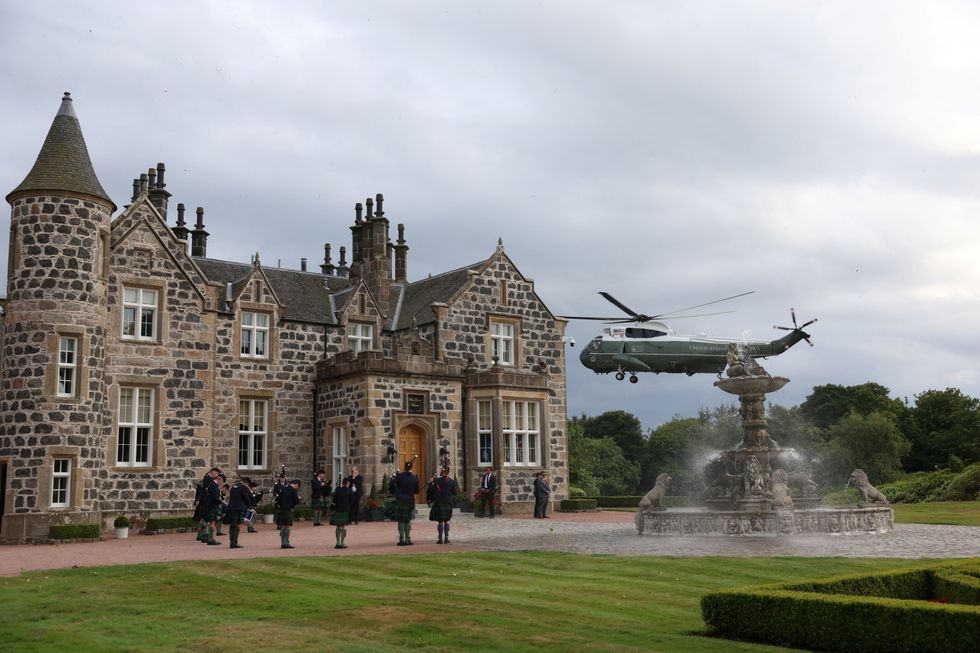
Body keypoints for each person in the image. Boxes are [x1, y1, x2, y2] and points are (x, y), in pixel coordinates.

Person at [389, 459, 420, 545]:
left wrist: (394, 493)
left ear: (405, 468)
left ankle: (401, 540)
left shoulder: (399, 476)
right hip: (410, 501)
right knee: (408, 520)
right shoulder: (415, 478)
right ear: (411, 468)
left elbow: (391, 484)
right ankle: (408, 539)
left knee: (401, 521)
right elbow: (417, 491)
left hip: (400, 500)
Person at [427, 465, 459, 544]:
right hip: (448, 503)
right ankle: (447, 538)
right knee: (446, 521)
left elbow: (431, 490)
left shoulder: (437, 480)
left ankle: (440, 539)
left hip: (439, 503)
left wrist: (431, 483)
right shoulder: (451, 481)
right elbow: (454, 493)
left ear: (442, 471)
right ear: (448, 472)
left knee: (440, 521)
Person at [193, 467, 221, 542]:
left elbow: (201, 490)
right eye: (217, 474)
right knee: (206, 518)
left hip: (202, 500)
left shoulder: (205, 479)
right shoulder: (209, 479)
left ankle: (201, 535)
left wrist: (198, 499)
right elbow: (206, 491)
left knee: (201, 518)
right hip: (205, 501)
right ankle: (205, 535)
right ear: (214, 472)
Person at [223, 477, 252, 548]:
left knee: (232, 525)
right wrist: (249, 506)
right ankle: (234, 543)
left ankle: (232, 542)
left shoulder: (233, 488)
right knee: (237, 525)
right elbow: (246, 498)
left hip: (231, 508)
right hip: (238, 508)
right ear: (246, 482)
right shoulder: (243, 487)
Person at [199, 470, 223, 545]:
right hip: (212, 506)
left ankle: (209, 538)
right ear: (219, 479)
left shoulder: (212, 485)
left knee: (210, 521)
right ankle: (210, 539)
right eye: (221, 481)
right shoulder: (213, 485)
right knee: (213, 521)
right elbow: (215, 497)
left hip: (210, 505)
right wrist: (221, 502)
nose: (221, 484)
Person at [276, 479, 302, 549]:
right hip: (288, 510)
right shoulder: (293, 490)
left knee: (283, 526)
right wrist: (299, 499)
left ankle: (282, 543)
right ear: (296, 484)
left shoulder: (283, 489)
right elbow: (296, 501)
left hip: (282, 510)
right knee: (287, 526)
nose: (297, 488)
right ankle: (286, 543)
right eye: (298, 486)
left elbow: (278, 500)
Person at [330, 477, 353, 549]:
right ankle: (342, 543)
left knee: (338, 526)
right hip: (345, 509)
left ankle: (337, 543)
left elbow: (334, 499)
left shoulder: (337, 489)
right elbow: (352, 500)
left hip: (338, 509)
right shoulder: (349, 490)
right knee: (343, 526)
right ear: (348, 483)